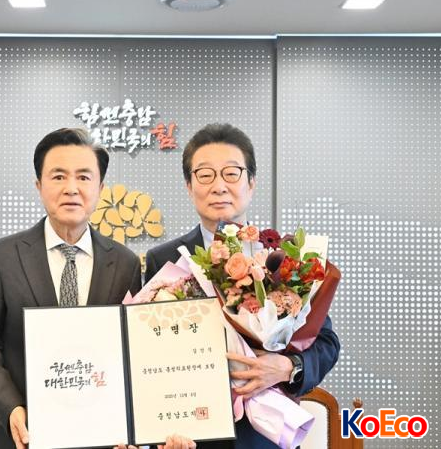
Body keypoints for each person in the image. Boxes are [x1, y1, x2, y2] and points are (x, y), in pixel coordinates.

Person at [0, 127, 194, 449]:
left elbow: (133, 353)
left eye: (84, 177)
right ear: (39, 185)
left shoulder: (124, 263)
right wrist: (11, 407)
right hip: (25, 436)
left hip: (102, 437)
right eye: (58, 176)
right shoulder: (0, 258)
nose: (71, 188)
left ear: (100, 188)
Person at [145, 123, 340, 449]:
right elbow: (149, 351)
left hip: (263, 437)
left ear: (251, 183)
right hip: (191, 435)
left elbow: (326, 343)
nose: (219, 186)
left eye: (231, 173)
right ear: (189, 186)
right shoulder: (163, 259)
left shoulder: (283, 255)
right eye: (205, 175)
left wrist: (287, 367)